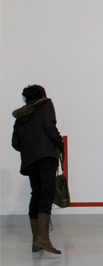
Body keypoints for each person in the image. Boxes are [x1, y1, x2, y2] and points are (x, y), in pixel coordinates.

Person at [11, 85, 64, 254]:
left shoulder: (20, 116)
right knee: (47, 194)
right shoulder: (46, 104)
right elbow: (49, 125)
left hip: (29, 160)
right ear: (42, 95)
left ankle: (36, 240)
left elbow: (15, 143)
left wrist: (30, 148)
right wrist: (60, 144)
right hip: (46, 156)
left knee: (36, 195)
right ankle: (44, 239)